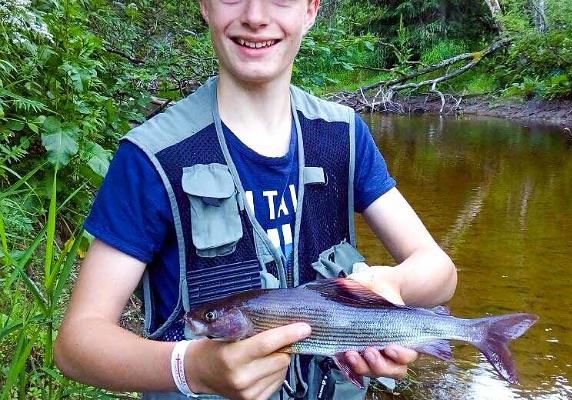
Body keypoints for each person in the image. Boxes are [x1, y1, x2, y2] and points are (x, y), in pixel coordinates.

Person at [54, 1, 457, 399]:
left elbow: (440, 273)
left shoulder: (344, 136)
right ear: (205, 6)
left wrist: (389, 286)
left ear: (311, 10)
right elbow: (77, 344)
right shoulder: (152, 157)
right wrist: (193, 369)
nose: (255, 16)